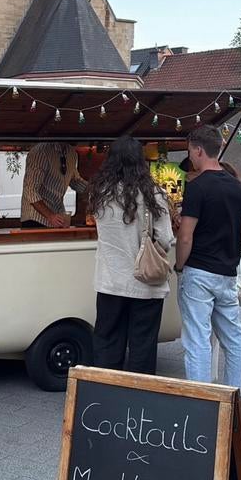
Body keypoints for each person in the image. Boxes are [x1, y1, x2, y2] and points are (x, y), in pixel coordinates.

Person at [89, 137, 173, 374]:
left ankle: (105, 395)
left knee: (107, 342)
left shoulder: (100, 194)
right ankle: (138, 402)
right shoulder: (154, 195)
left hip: (110, 281)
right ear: (141, 161)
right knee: (142, 347)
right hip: (146, 284)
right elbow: (165, 238)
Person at [176, 125, 241, 389]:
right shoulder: (240, 189)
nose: (191, 157)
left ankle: (200, 400)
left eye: (190, 152)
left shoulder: (197, 187)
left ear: (198, 149)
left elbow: (185, 236)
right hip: (227, 273)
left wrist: (179, 265)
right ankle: (235, 395)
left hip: (199, 271)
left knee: (197, 338)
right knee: (233, 337)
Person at [21, 142, 88, 229]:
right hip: (35, 219)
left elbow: (75, 181)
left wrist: (99, 190)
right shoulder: (41, 151)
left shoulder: (72, 153)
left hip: (58, 218)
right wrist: (50, 215)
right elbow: (30, 189)